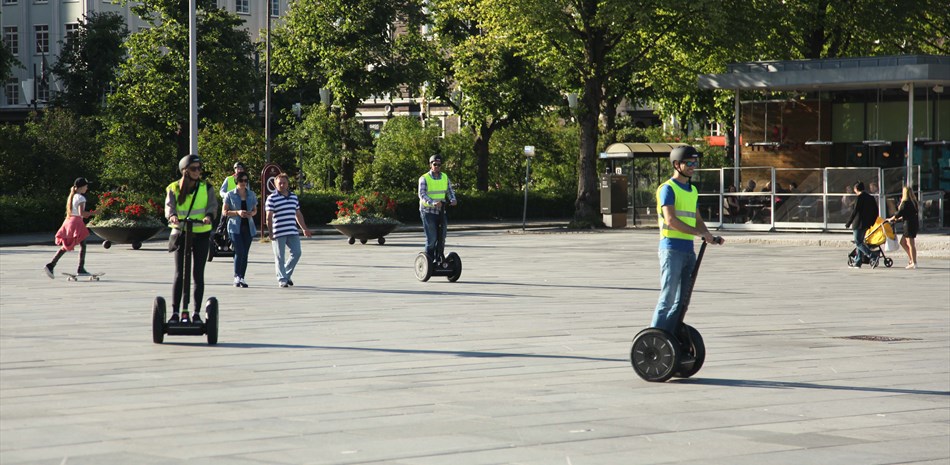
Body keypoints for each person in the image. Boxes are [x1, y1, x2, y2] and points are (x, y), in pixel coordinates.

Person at [652, 146, 724, 334]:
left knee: (682, 301)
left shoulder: (692, 190)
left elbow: (697, 219)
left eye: (695, 163)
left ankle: (669, 337)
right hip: (671, 249)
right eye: (689, 163)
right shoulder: (667, 189)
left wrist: (709, 235)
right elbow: (671, 220)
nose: (693, 166)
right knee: (667, 299)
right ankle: (654, 339)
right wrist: (699, 233)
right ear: (677, 164)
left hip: (688, 250)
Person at [165, 154, 218, 323]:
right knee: (179, 273)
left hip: (201, 233)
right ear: (185, 170)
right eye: (194, 168)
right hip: (181, 233)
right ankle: (175, 313)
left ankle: (196, 313)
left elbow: (212, 206)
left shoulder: (206, 187)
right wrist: (172, 216)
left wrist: (209, 216)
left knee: (197, 274)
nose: (197, 171)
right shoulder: (173, 187)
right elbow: (169, 206)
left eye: (199, 168)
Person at [265, 173, 312, 288]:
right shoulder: (271, 198)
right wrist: (270, 232)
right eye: (279, 183)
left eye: (284, 183)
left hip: (292, 230)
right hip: (278, 231)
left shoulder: (293, 197)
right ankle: (282, 279)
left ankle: (286, 274)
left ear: (287, 184)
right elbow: (268, 217)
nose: (282, 185)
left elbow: (298, 214)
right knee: (280, 257)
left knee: (297, 252)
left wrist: (304, 228)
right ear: (275, 184)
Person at [44, 177, 97, 278]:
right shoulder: (81, 198)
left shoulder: (72, 196)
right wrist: (95, 213)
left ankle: (52, 265)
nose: (87, 188)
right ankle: (78, 268)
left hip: (69, 221)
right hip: (76, 223)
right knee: (77, 245)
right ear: (81, 187)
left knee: (72, 245)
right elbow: (82, 213)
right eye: (86, 186)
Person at [418, 154, 457, 259]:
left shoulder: (444, 177)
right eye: (435, 164)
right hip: (428, 211)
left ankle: (439, 258)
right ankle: (429, 260)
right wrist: (433, 202)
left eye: (439, 165)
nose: (437, 167)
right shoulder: (424, 178)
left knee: (442, 237)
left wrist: (453, 199)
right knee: (432, 239)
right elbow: (422, 194)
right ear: (430, 165)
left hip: (441, 211)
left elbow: (449, 191)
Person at [223, 171, 258, 287]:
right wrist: (237, 212)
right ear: (236, 181)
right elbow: (224, 212)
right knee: (239, 251)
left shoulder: (251, 194)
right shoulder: (230, 195)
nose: (243, 183)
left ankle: (242, 277)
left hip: (248, 227)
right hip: (234, 227)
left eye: (246, 180)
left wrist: (252, 213)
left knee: (245, 253)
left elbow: (255, 209)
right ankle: (237, 276)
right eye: (241, 180)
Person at [844, 181, 879, 269]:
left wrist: (849, 222)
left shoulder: (859, 198)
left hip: (858, 223)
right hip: (866, 224)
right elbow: (876, 211)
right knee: (860, 242)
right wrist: (872, 222)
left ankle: (872, 255)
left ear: (856, 189)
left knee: (858, 242)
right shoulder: (870, 198)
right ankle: (858, 262)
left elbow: (855, 211)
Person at [886, 186, 919, 269]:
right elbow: (907, 214)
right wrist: (898, 218)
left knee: (910, 244)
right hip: (913, 223)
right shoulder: (913, 202)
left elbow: (898, 213)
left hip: (908, 225)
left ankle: (914, 262)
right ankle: (911, 258)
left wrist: (891, 219)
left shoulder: (905, 203)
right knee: (903, 242)